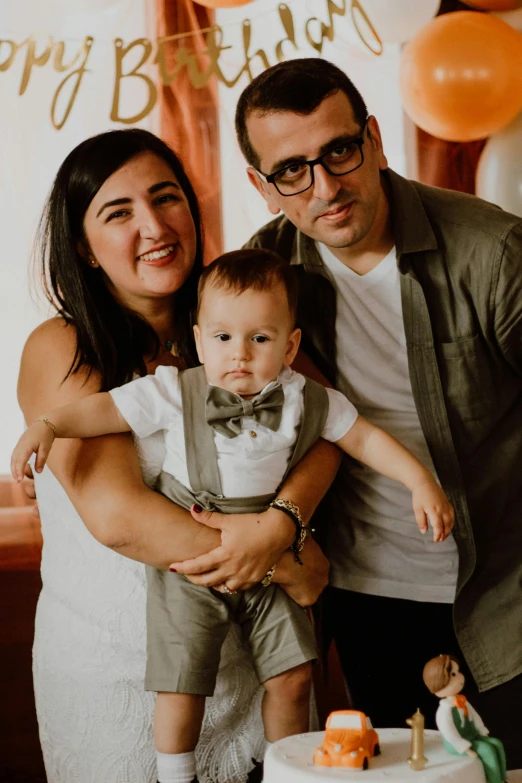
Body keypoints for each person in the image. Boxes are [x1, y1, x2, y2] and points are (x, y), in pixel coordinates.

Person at [180, 57, 522, 765]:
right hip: (365, 599)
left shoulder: (492, 250)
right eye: (292, 170)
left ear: (373, 138)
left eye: (339, 150)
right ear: (262, 185)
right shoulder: (263, 273)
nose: (325, 187)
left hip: (505, 591)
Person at [12, 249, 454, 783]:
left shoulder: (304, 398)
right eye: (222, 339)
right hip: (192, 566)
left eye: (259, 339)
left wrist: (419, 480)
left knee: (293, 675)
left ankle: (286, 770)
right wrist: (51, 426)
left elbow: (364, 439)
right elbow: (104, 410)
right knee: (182, 681)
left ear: (290, 345)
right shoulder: (175, 390)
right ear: (199, 340)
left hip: (271, 558)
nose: (239, 354)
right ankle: (177, 774)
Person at [16, 128, 341, 783]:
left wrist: (285, 518)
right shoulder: (63, 344)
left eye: (166, 199)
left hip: (249, 662)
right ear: (83, 244)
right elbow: (120, 516)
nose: (154, 225)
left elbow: (327, 430)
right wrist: (284, 566)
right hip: (125, 673)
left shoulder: (237, 321)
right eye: (120, 212)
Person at [423, 655, 507, 783]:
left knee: (496, 743)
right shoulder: (444, 711)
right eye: (453, 674)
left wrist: (481, 731)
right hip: (458, 743)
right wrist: (465, 749)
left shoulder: (462, 701)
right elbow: (449, 733)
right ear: (439, 682)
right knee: (487, 750)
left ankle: (503, 778)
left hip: (473, 736)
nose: (460, 677)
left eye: (458, 672)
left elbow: (475, 717)